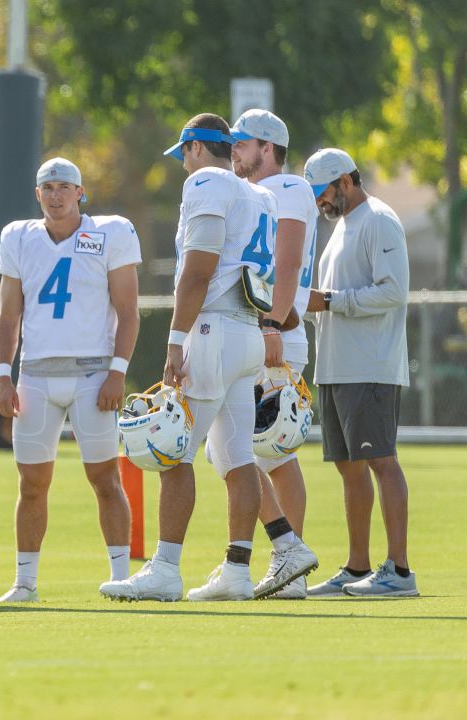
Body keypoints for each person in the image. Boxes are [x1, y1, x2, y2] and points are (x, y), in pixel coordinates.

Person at [100, 113, 313, 602]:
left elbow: (198, 271)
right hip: (247, 333)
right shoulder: (257, 193)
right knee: (237, 457)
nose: (183, 166)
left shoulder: (208, 181)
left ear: (196, 148)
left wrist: (175, 340)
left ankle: (166, 569)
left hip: (214, 328)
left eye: (184, 155)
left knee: (171, 447)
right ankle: (243, 565)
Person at [0, 157, 139, 603]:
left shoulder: (109, 232)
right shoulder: (19, 237)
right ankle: (25, 583)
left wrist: (118, 371)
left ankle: (120, 576)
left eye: (64, 186)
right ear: (38, 194)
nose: (55, 195)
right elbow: (7, 315)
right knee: (30, 484)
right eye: (48, 187)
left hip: (93, 372)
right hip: (35, 374)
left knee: (105, 479)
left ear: (80, 192)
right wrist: (2, 375)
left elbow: (128, 312)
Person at [303, 148, 417, 597]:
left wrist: (330, 301)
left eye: (323, 192)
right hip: (336, 368)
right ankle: (356, 568)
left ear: (345, 182)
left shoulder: (380, 220)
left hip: (370, 366)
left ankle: (400, 572)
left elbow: (393, 292)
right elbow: (328, 300)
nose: (319, 202)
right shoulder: (340, 228)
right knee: (349, 468)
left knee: (381, 461)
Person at [229, 109, 320, 599]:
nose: (236, 151)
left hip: (276, 331)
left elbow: (285, 261)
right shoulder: (258, 192)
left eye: (242, 143)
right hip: (269, 329)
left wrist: (269, 323)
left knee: (253, 450)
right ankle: (284, 563)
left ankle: (288, 560)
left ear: (267, 147)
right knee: (265, 455)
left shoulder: (286, 189)